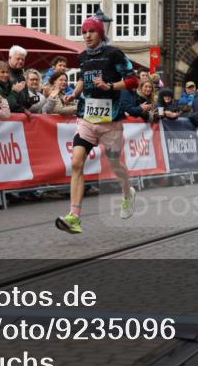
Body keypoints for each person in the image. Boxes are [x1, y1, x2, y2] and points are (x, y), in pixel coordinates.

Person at [55, 15, 139, 235]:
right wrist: (74, 94)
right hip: (87, 118)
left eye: (91, 31)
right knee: (76, 162)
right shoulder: (82, 56)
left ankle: (127, 193)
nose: (87, 35)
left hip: (110, 122)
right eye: (84, 32)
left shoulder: (114, 53)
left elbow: (133, 80)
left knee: (115, 164)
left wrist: (110, 86)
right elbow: (83, 79)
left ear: (100, 33)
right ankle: (74, 216)